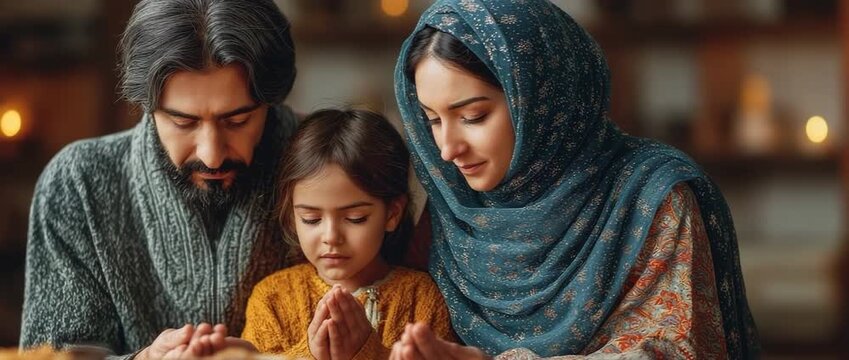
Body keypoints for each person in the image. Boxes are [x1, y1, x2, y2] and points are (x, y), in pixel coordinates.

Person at [389, 0, 759, 358]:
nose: (448, 150)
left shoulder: (650, 196)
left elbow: (677, 350)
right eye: (433, 121)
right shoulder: (455, 209)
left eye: (473, 116)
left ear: (541, 100)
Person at [20, 0, 297, 358]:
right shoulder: (78, 182)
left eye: (237, 121)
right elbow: (48, 356)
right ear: (145, 105)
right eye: (183, 123)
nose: (211, 155)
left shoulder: (331, 166)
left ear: (271, 101)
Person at [238, 109, 456, 360]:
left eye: (355, 219)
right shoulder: (273, 299)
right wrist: (310, 354)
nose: (331, 236)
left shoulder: (421, 298)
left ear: (392, 214)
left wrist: (370, 352)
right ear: (291, 216)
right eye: (311, 219)